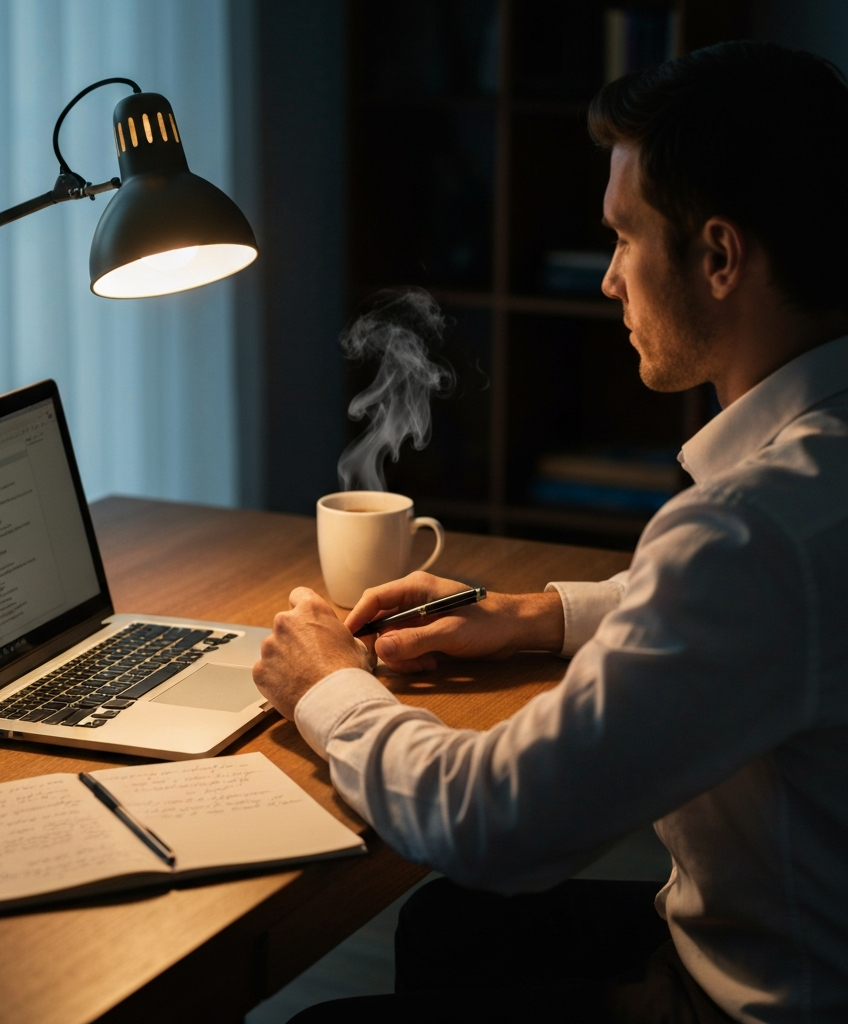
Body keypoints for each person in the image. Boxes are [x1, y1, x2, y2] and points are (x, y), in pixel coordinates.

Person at [252, 40, 848, 1024]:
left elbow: (497, 823)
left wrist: (329, 688)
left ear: (717, 255)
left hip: (767, 998)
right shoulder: (804, 491)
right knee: (451, 926)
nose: (609, 280)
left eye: (623, 237)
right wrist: (537, 616)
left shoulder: (747, 531)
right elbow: (776, 616)